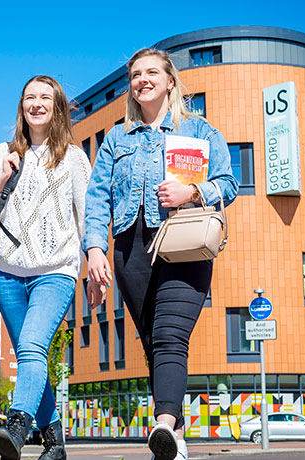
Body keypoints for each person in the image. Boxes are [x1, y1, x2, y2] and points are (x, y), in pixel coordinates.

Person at [83, 48, 238, 460]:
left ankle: (163, 423)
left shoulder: (199, 131)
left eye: (152, 72)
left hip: (184, 243)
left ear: (170, 81)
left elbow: (230, 183)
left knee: (171, 337)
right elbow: (97, 198)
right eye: (135, 74)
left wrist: (193, 191)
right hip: (130, 249)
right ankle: (175, 439)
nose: (142, 79)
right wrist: (95, 248)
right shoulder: (116, 139)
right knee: (155, 343)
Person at [0, 75, 91, 460]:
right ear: (21, 106)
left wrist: (96, 267)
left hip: (56, 271)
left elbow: (87, 219)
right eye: (29, 98)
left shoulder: (73, 157)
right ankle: (55, 443)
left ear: (57, 107)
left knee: (33, 346)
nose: (36, 104)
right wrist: (2, 176)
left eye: (44, 98)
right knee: (30, 355)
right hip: (8, 273)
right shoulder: (4, 152)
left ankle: (17, 425)